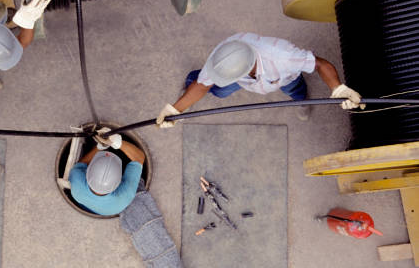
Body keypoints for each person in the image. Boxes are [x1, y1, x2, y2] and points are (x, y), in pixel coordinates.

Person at [156, 32, 365, 126]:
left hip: (283, 78)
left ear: (246, 68)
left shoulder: (285, 57)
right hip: (242, 79)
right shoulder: (222, 58)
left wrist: (338, 89)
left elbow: (320, 64)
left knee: (295, 91)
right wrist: (176, 109)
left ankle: (300, 103)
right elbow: (202, 85)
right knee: (214, 88)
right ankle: (192, 79)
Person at [69, 132, 145, 216]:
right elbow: (139, 158)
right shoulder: (123, 198)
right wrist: (116, 142)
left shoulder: (76, 182)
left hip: (84, 204)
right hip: (108, 210)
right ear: (120, 181)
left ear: (88, 171)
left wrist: (100, 146)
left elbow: (82, 164)